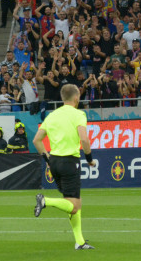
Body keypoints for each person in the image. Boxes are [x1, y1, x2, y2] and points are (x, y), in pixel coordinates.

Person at [32, 83, 95, 250]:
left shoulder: (52, 116)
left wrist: (47, 158)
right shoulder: (78, 114)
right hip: (70, 162)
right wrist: (89, 158)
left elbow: (36, 140)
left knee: (76, 202)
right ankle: (45, 201)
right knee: (73, 206)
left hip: (54, 162)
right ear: (76, 98)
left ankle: (80, 242)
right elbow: (84, 139)